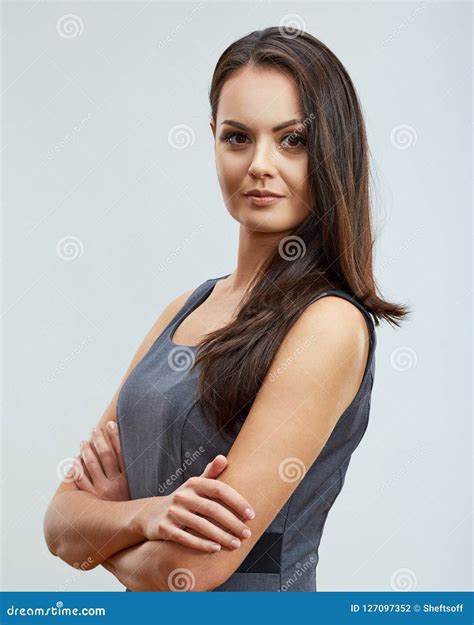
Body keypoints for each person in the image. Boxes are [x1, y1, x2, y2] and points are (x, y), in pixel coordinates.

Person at [43, 26, 410, 592]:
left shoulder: (328, 325)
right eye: (238, 138)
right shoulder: (182, 309)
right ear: (214, 140)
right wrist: (145, 516)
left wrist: (105, 540)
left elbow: (190, 570)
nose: (260, 164)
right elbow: (60, 523)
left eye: (292, 140)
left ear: (332, 149)